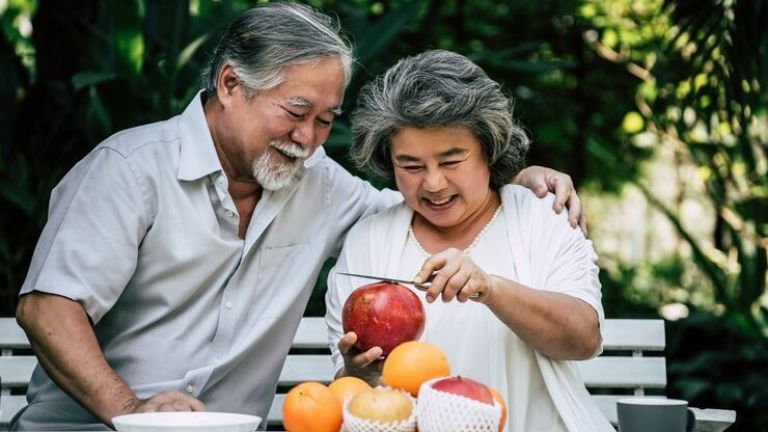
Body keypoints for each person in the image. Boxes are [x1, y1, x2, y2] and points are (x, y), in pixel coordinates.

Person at [12, 4, 584, 432]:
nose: (308, 139)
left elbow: (427, 201)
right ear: (231, 83)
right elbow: (48, 308)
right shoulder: (128, 171)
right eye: (296, 112)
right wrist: (132, 412)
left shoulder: (320, 185)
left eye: (325, 120)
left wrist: (514, 178)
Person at [325, 50, 613, 432]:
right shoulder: (369, 241)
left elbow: (583, 339)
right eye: (410, 165)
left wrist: (490, 288)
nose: (433, 183)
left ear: (488, 150)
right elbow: (353, 395)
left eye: (451, 161)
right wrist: (356, 373)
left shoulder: (542, 216)